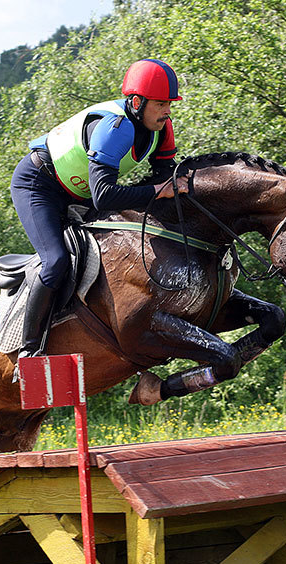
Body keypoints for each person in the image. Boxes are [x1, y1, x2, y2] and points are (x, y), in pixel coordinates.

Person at [10, 58, 190, 360]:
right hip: (39, 186)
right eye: (161, 104)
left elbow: (165, 181)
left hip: (78, 192)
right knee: (56, 262)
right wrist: (158, 191)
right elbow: (104, 197)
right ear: (136, 101)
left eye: (170, 104)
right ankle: (28, 351)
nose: (167, 111)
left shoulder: (161, 127)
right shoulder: (115, 128)